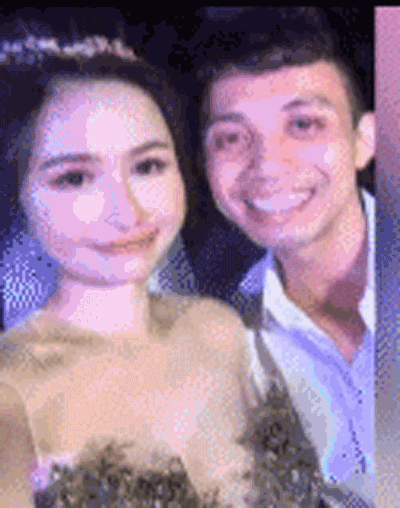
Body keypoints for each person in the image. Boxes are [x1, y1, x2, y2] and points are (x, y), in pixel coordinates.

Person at [0, 34, 286, 507]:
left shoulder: (217, 329)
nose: (127, 211)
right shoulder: (13, 395)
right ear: (19, 195)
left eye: (148, 166)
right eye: (75, 177)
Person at [198, 28, 376, 506]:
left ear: (364, 141)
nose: (268, 165)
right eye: (231, 138)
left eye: (303, 124)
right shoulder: (224, 343)